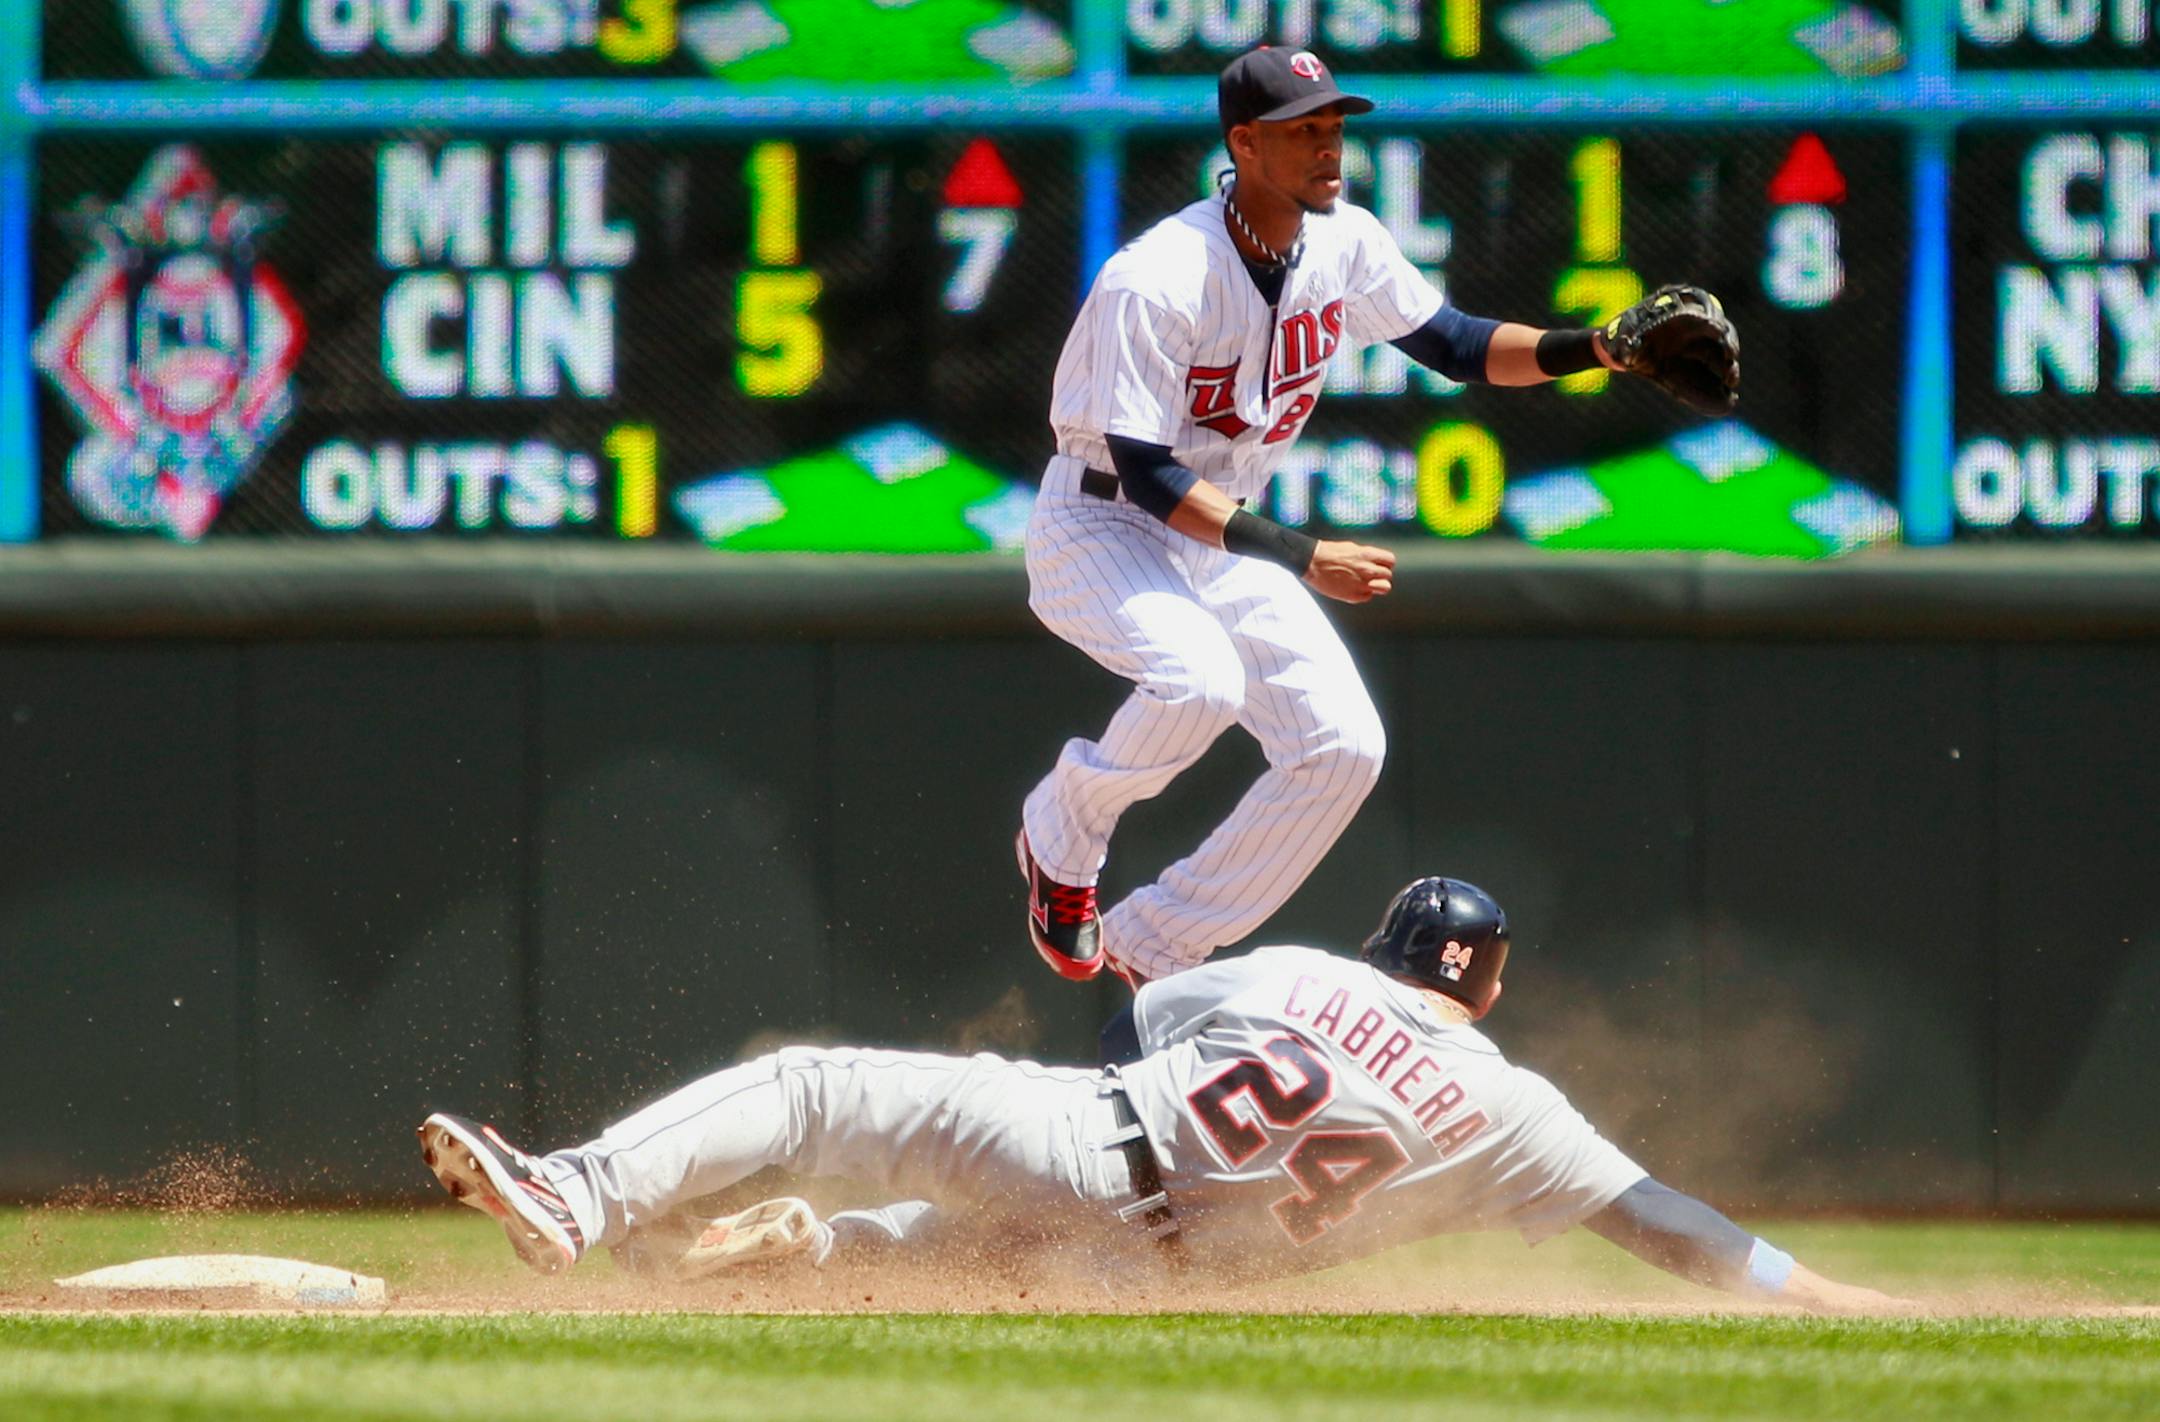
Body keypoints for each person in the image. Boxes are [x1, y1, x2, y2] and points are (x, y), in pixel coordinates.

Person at [1017, 47, 1739, 988]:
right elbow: (1146, 471)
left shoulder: (1344, 242)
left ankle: (1154, 945)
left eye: (1333, 126)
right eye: (1303, 130)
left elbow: (1459, 346)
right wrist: (1305, 555)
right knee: (1198, 684)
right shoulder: (1157, 276)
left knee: (1342, 746)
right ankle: (1059, 843)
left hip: (1217, 532)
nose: (1329, 147)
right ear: (1243, 142)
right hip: (1102, 523)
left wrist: (1596, 347)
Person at [417, 876, 1894, 1311]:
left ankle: (582, 1191)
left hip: (1097, 1143)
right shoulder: (1514, 1109)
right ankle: (794, 1253)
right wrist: (1838, 1298)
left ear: (1390, 947)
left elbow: (1143, 1020)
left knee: (811, 1083)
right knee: (951, 1255)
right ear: (1489, 987)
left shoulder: (1312, 971)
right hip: (1149, 1276)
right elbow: (1670, 1224)